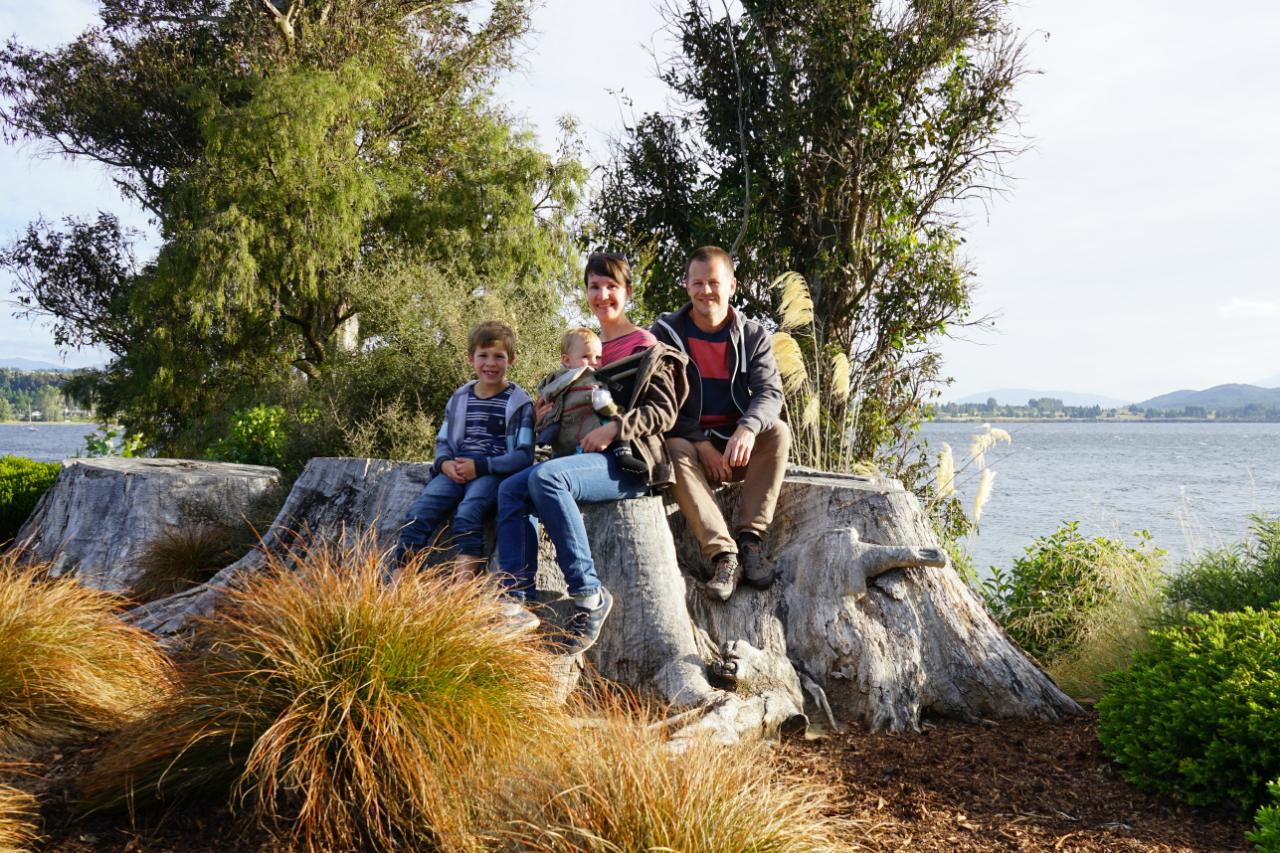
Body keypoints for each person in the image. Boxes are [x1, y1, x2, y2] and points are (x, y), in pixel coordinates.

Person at [496, 252, 687, 654]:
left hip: (627, 462)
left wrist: (614, 428)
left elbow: (664, 411)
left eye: (611, 286)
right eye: (594, 286)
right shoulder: (582, 346)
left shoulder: (645, 345)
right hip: (581, 459)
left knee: (547, 478)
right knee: (511, 489)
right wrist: (542, 412)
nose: (602, 295)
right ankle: (517, 595)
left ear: (627, 292)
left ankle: (588, 593)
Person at [651, 245, 790, 601]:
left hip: (738, 447)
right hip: (692, 443)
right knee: (671, 447)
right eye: (697, 283)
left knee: (776, 431)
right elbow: (660, 399)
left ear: (732, 286)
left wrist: (747, 428)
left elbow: (770, 393)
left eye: (714, 282)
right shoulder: (666, 333)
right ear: (686, 286)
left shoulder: (753, 335)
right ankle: (724, 555)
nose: (705, 291)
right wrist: (702, 445)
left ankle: (750, 541)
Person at [392, 321, 535, 587]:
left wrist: (480, 467)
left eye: (498, 356)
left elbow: (524, 454)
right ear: (471, 358)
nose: (490, 363)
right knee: (420, 510)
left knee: (468, 512)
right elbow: (444, 439)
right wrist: (444, 463)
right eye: (483, 355)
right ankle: (399, 580)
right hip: (455, 468)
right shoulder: (460, 398)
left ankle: (462, 588)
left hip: (491, 471)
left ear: (511, 360)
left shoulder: (519, 403)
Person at [535, 327, 647, 476]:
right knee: (615, 416)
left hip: (591, 432)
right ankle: (622, 452)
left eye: (598, 357)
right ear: (566, 360)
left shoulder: (560, 381)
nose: (594, 362)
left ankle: (624, 455)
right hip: (566, 428)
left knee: (615, 420)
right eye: (586, 356)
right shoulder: (563, 380)